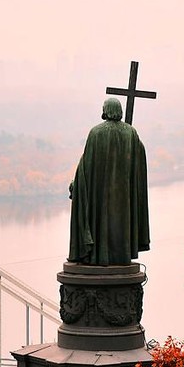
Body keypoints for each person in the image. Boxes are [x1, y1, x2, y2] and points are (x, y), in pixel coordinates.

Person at [68, 98, 150, 265]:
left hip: (100, 194)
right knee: (121, 223)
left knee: (99, 220)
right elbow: (139, 156)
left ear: (105, 110)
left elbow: (86, 165)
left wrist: (76, 185)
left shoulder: (96, 133)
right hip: (124, 195)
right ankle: (120, 256)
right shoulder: (131, 133)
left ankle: (98, 255)